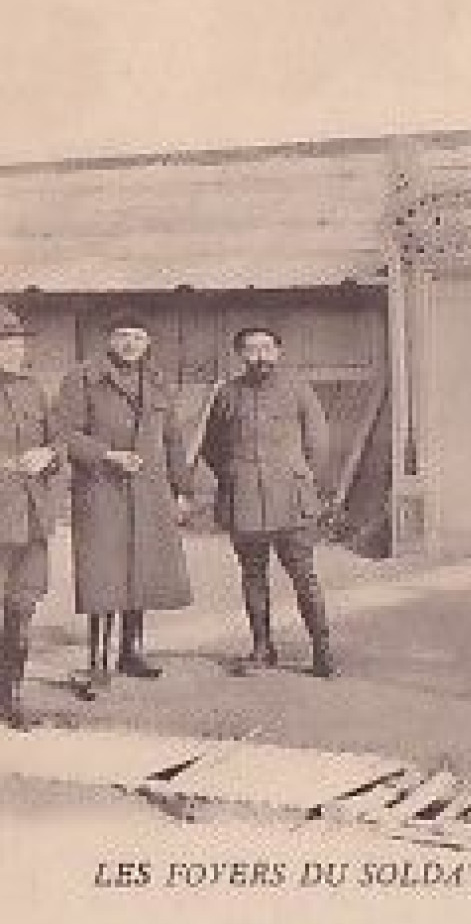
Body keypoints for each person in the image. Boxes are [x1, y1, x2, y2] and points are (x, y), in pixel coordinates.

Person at [54, 314, 194, 695]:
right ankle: (97, 661)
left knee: (141, 568)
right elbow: (64, 433)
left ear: (148, 343)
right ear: (108, 340)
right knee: (103, 572)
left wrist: (182, 489)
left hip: (149, 491)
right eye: (122, 336)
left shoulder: (156, 382)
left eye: (138, 337)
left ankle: (131, 652)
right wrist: (107, 455)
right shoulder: (82, 378)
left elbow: (173, 440)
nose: (130, 344)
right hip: (100, 490)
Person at [200, 327, 338, 677]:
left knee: (304, 577)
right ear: (239, 355)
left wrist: (304, 480)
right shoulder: (227, 394)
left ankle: (322, 650)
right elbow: (212, 445)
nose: (260, 356)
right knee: (253, 576)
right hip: (245, 498)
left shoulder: (298, 389)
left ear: (278, 351)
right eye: (251, 349)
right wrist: (233, 475)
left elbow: (319, 443)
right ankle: (262, 647)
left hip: (291, 500)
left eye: (267, 348)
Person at [0, 305, 59, 730]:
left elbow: (57, 439)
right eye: (5, 343)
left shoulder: (33, 390)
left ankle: (11, 696)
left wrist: (50, 454)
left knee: (22, 610)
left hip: (32, 520)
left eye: (18, 343)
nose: (14, 351)